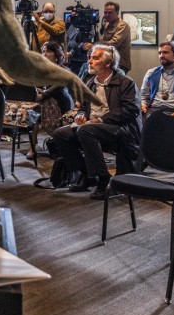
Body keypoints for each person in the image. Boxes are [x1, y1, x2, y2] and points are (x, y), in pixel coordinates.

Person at [51, 44, 141, 199]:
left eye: (95, 57)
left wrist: (100, 119)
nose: (90, 61)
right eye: (90, 57)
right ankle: (84, 174)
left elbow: (130, 110)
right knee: (60, 134)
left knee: (85, 131)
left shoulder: (126, 83)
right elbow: (84, 107)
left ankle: (102, 177)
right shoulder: (91, 82)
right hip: (92, 127)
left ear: (108, 63)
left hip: (120, 128)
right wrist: (80, 116)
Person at [35, 41, 75, 137]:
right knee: (32, 111)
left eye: (48, 51)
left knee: (37, 108)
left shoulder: (65, 70)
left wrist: (43, 94)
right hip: (45, 102)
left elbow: (58, 86)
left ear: (56, 54)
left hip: (60, 103)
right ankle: (32, 146)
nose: (45, 54)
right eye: (43, 51)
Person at [85, 2, 131, 74]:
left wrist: (94, 46)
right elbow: (103, 40)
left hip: (119, 63)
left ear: (117, 12)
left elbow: (115, 43)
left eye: (110, 13)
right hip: (107, 61)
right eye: (105, 12)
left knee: (115, 84)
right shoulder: (107, 24)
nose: (107, 15)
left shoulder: (122, 26)